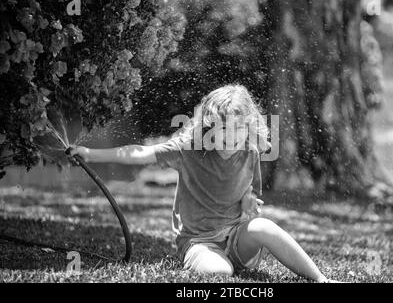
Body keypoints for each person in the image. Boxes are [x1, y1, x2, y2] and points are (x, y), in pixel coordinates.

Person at [69, 84, 337, 282]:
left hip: (236, 237)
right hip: (199, 241)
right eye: (223, 130)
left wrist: (249, 201)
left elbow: (251, 191)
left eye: (238, 129)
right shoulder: (189, 149)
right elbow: (142, 152)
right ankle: (212, 262)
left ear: (249, 127)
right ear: (208, 128)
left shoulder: (250, 151)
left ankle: (322, 280)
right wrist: (91, 154)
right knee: (220, 271)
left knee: (264, 226)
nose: (231, 138)